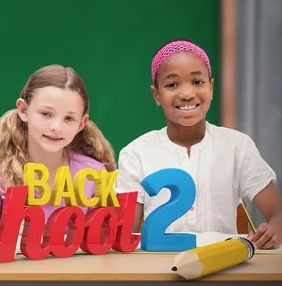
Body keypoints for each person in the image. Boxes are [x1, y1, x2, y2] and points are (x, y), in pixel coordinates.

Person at [116, 38, 282, 249]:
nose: (186, 94)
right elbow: (126, 234)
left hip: (224, 269)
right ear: (156, 94)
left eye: (197, 82)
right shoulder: (136, 153)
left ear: (211, 88)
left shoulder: (237, 146)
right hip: (157, 270)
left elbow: (277, 212)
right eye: (172, 85)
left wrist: (275, 229)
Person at [0, 64, 117, 234]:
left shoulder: (94, 173)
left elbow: (102, 236)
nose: (56, 127)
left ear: (81, 123)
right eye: (46, 114)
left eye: (69, 118)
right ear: (23, 110)